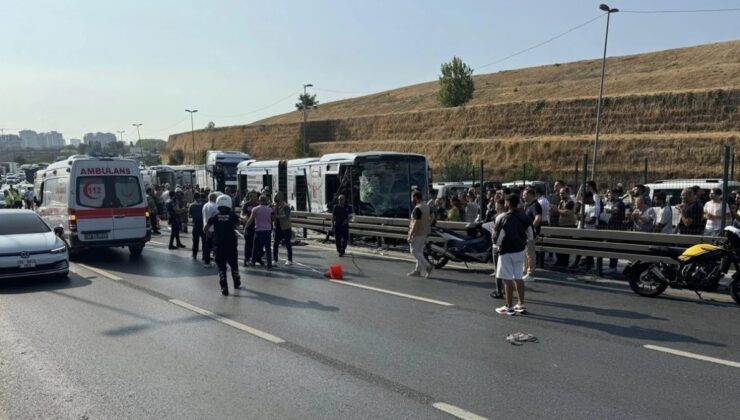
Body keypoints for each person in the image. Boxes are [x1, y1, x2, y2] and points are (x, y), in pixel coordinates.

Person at [494, 194, 533, 316]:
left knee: (507, 278)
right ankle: (521, 304)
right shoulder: (524, 217)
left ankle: (509, 306)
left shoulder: (503, 218)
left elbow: (497, 239)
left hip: (506, 251)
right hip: (520, 250)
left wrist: (496, 242)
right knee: (518, 277)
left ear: (508, 203)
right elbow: (531, 235)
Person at [203, 194, 241, 296]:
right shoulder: (233, 216)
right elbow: (239, 223)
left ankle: (224, 287)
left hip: (219, 245)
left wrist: (209, 235)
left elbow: (205, 228)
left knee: (221, 267)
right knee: (234, 265)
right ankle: (236, 282)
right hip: (231, 245)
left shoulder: (215, 216)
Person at [407, 190, 433, 278]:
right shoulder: (427, 206)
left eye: (412, 198)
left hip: (417, 232)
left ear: (415, 198)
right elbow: (432, 217)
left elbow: (416, 223)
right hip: (425, 231)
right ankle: (418, 270)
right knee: (420, 251)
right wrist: (427, 224)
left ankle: (427, 266)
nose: (411, 200)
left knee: (413, 251)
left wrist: (410, 235)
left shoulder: (417, 208)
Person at [247, 195, 274, 269]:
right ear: (266, 201)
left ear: (259, 201)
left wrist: (246, 227)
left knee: (255, 247)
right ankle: (269, 265)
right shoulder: (270, 209)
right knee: (268, 248)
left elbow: (251, 219)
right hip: (267, 230)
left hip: (258, 230)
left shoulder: (255, 209)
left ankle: (253, 262)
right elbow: (272, 219)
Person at [522, 188, 541, 282]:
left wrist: (531, 229)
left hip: (531, 234)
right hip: (526, 233)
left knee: (530, 253)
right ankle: (525, 270)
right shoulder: (528, 206)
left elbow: (538, 218)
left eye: (525, 194)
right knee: (526, 253)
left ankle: (530, 273)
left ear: (530, 195)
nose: (523, 196)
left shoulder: (535, 206)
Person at [555, 187, 576, 267]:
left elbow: (566, 212)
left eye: (562, 193)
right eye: (560, 193)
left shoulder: (570, 202)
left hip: (569, 226)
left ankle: (565, 262)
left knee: (566, 245)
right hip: (561, 226)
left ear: (567, 193)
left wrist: (556, 210)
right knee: (559, 244)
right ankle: (559, 261)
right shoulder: (561, 202)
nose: (561, 194)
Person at [272, 192, 293, 265]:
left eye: (276, 196)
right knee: (275, 244)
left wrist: (277, 217)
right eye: (274, 196)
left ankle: (290, 259)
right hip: (277, 227)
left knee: (288, 244)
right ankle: (275, 259)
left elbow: (287, 216)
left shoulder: (285, 206)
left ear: (281, 197)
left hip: (285, 227)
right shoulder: (274, 205)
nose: (275, 197)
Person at [240, 191, 259, 266]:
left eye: (256, 197)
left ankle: (257, 258)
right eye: (253, 196)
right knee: (248, 243)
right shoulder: (246, 204)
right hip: (248, 226)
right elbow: (241, 215)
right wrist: (245, 218)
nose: (255, 198)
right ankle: (246, 259)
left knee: (257, 243)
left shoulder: (258, 205)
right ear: (250, 197)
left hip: (257, 226)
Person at [202, 192, 220, 267]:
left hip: (206, 228)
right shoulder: (215, 206)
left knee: (208, 246)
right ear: (214, 198)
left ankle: (207, 262)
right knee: (217, 246)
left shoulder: (205, 205)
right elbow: (217, 218)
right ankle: (218, 261)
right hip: (214, 229)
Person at [189, 192, 206, 261]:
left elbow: (190, 215)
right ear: (200, 197)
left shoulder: (192, 205)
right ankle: (204, 255)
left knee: (195, 241)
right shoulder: (203, 205)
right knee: (204, 241)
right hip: (203, 225)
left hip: (195, 225)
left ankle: (194, 254)